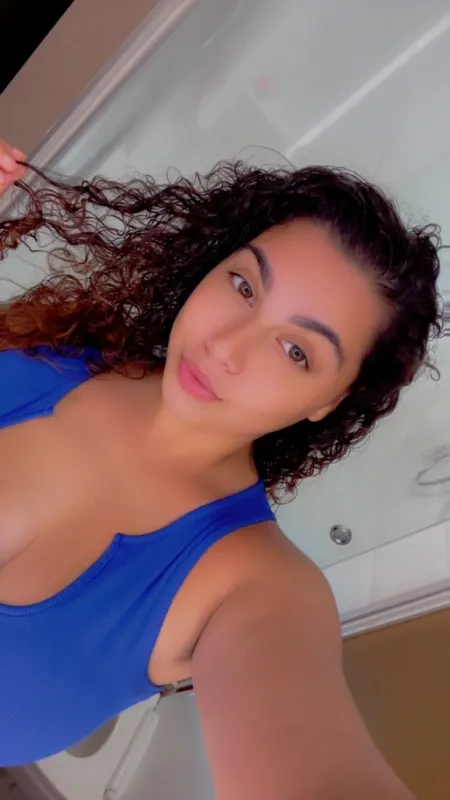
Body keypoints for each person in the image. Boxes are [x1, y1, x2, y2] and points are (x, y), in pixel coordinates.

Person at [0, 138, 440, 799]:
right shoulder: (51, 348)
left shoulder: (257, 588)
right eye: (243, 285)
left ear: (329, 400)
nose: (226, 347)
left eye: (296, 351)